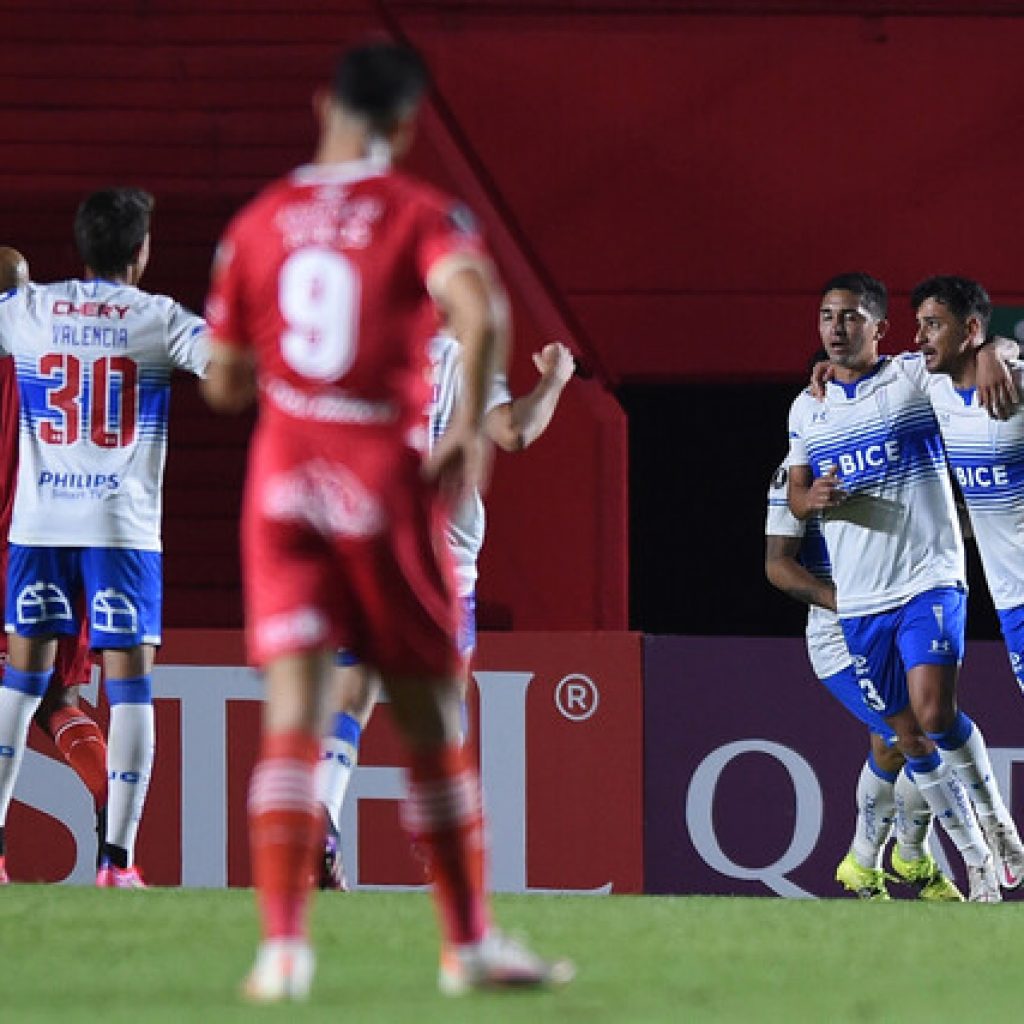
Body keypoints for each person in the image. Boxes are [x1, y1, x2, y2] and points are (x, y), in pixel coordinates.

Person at [202, 41, 574, 1001]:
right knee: (432, 716)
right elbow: (478, 299)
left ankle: (282, 950)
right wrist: (470, 442)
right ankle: (469, 944)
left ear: (323, 101)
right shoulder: (419, 214)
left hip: (284, 481)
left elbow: (225, 381)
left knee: (295, 712)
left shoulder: (259, 221)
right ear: (407, 124)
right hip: (382, 481)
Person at [787, 271, 1019, 902]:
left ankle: (992, 835)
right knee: (904, 736)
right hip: (858, 603)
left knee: (934, 712)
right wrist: (809, 499)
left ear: (877, 327)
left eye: (851, 317)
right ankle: (957, 861)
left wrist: (999, 348)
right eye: (827, 317)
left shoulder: (912, 376)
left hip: (928, 577)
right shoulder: (808, 407)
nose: (836, 328)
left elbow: (975, 354)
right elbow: (793, 497)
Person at [0, 190, 207, 889]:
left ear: (80, 245)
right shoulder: (159, 318)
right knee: (129, 689)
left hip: (36, 524)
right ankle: (117, 862)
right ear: (142, 251)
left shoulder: (30, 311)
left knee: (22, 684)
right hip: (120, 532)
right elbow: (236, 368)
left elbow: (7, 275)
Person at [316, 333, 575, 891]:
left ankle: (323, 815)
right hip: (439, 557)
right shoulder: (466, 350)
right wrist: (554, 381)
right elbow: (516, 431)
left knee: (350, 696)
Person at [765, 455, 962, 900]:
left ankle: (866, 861)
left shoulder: (895, 442)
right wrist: (849, 604)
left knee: (894, 743)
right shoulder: (797, 470)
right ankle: (909, 855)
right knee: (910, 737)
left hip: (906, 615)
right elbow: (777, 564)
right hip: (841, 636)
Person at [908, 274, 1024, 886]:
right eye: (920, 324)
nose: (921, 337)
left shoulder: (1012, 384)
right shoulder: (929, 386)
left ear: (971, 329)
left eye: (934, 325)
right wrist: (825, 371)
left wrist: (1001, 351)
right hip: (1011, 602)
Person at [0, 248, 109, 885]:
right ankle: (112, 821)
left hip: (11, 545)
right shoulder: (65, 347)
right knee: (60, 700)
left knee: (14, 700)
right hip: (73, 545)